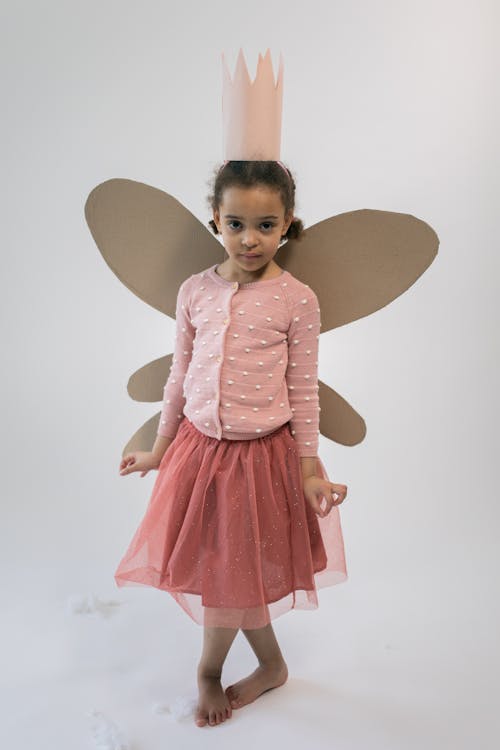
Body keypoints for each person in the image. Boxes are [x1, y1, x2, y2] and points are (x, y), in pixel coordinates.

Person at [115, 160, 348, 728]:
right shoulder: (196, 289)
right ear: (215, 218)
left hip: (259, 460)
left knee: (231, 570)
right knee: (226, 568)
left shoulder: (297, 300)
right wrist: (160, 448)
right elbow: (180, 374)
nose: (250, 239)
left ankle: (209, 670)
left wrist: (310, 471)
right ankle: (268, 666)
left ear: (288, 223)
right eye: (237, 223)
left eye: (266, 225)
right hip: (198, 454)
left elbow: (303, 394)